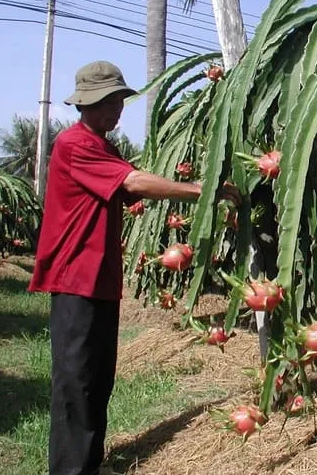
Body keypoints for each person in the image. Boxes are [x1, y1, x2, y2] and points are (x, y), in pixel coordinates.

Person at [28, 61, 237, 475]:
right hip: (76, 278)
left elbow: (131, 184)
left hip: (101, 279)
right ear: (85, 104)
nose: (116, 108)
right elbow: (133, 184)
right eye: (107, 101)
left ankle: (89, 462)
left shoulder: (103, 146)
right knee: (76, 382)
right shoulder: (75, 143)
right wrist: (205, 191)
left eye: (120, 99)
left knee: (98, 379)